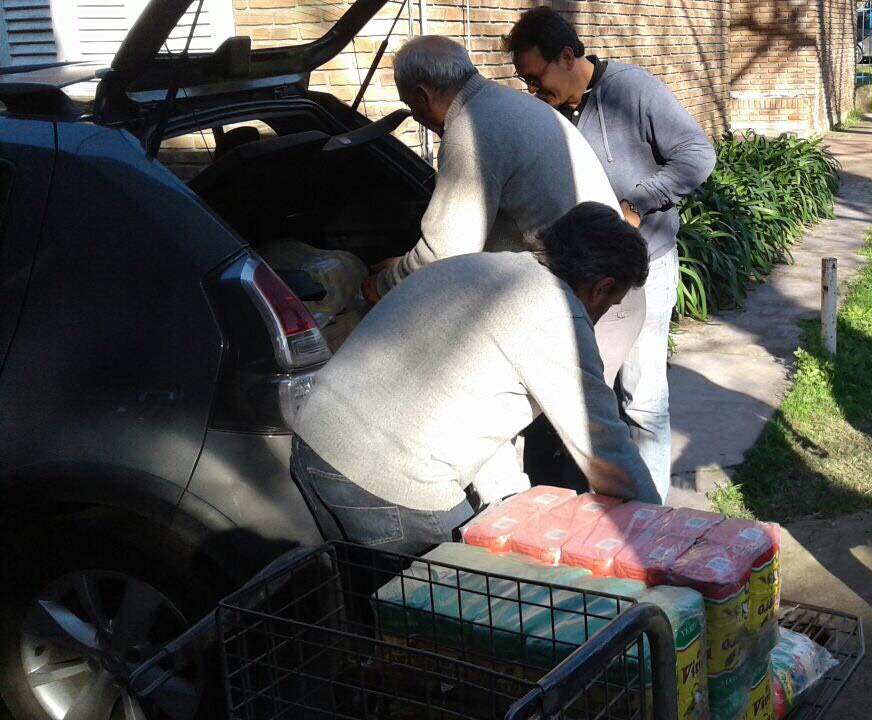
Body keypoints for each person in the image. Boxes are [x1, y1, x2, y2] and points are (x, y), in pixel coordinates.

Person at [294, 202, 661, 571]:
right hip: (390, 480)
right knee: (464, 607)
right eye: (611, 304)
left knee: (370, 605)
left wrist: (510, 501)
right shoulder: (555, 313)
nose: (601, 316)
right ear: (602, 287)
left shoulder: (482, 266)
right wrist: (659, 539)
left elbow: (471, 406)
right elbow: (604, 446)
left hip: (314, 438)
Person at [504, 8, 717, 500]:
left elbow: (697, 155)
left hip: (644, 266)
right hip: (578, 275)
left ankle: (652, 512)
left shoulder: (632, 90)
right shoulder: (550, 112)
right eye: (525, 82)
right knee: (584, 398)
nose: (534, 91)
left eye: (537, 78)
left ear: (567, 56)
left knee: (642, 399)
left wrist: (637, 202)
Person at [363, 35, 641, 384]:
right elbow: (490, 228)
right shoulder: (504, 104)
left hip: (596, 298)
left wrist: (385, 285)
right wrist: (407, 263)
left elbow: (444, 253)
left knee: (575, 431)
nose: (418, 117)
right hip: (602, 290)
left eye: (410, 105)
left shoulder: (472, 130)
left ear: (423, 95)